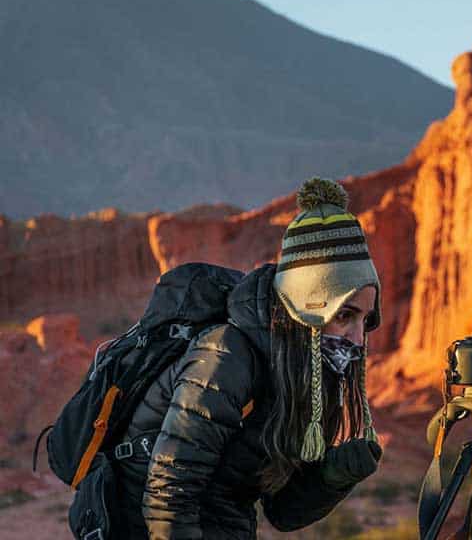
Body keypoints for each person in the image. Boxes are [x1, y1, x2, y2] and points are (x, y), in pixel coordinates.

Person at [115, 177, 384, 539]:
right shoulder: (224, 357)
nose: (357, 338)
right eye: (344, 315)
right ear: (308, 306)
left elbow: (282, 512)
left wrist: (332, 478)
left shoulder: (306, 373)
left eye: (366, 319)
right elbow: (168, 497)